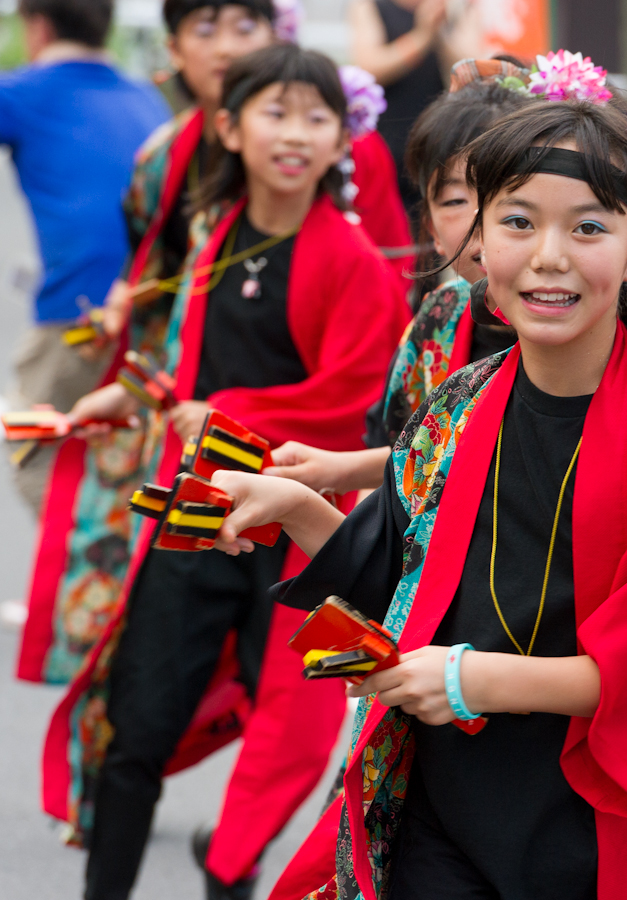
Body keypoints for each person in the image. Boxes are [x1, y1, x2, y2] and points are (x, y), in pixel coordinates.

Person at [212, 98, 627, 899]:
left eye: (587, 227)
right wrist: (292, 505)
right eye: (517, 222)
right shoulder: (461, 402)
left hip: (581, 818)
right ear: (478, 240)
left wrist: (467, 680)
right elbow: (404, 590)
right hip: (437, 800)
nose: (549, 256)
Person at [40, 43, 410, 900]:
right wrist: (131, 396)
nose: (296, 134)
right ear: (228, 128)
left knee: (297, 732)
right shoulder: (215, 236)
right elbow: (184, 366)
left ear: (340, 141)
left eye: (318, 117)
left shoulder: (353, 263)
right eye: (275, 112)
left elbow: (358, 400)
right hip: (202, 514)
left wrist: (236, 412)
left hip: (307, 536)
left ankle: (230, 862)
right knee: (138, 722)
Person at [16, 1, 412, 687]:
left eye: (244, 27)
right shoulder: (176, 170)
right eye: (206, 28)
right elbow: (161, 296)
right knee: (143, 672)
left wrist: (224, 409)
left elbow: (365, 362)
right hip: (184, 432)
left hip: (276, 456)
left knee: (284, 684)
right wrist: (133, 371)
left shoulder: (347, 252)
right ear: (175, 48)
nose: (227, 45)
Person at [263, 57, 627, 505]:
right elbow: (421, 460)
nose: (491, 225)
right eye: (456, 199)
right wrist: (337, 473)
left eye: (512, 201)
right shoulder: (439, 318)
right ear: (432, 228)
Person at [0, 0, 168, 513]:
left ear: (38, 25)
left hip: (80, 309)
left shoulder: (21, 91)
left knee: (34, 441)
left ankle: (87, 579)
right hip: (154, 306)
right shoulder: (148, 98)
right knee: (119, 449)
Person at [349, 0, 482, 214]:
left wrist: (439, 32)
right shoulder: (371, 7)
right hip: (389, 140)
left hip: (442, 140)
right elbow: (370, 68)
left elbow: (472, 72)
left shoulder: (458, 8)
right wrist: (421, 36)